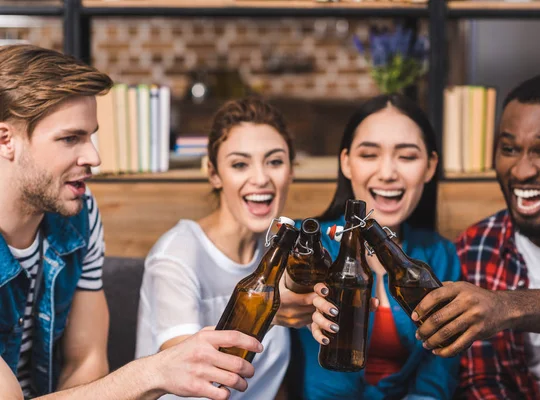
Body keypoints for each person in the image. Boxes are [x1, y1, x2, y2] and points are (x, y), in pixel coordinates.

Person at [0, 44, 268, 400]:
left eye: (91, 134)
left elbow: (88, 362)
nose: (94, 156)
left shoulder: (80, 213)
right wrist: (155, 371)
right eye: (70, 138)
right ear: (6, 140)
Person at [411, 74, 540, 398]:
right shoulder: (475, 247)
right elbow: (482, 378)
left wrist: (505, 307)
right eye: (509, 148)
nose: (521, 170)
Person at [135, 96, 317, 400]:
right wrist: (266, 317)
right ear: (214, 173)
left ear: (291, 171)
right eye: (239, 164)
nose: (260, 179)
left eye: (274, 161)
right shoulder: (176, 257)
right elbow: (192, 385)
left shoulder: (281, 251)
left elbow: (274, 382)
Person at [294, 93, 461, 399]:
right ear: (346, 163)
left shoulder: (442, 256)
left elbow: (438, 377)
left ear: (430, 166)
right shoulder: (308, 242)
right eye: (369, 155)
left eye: (407, 157)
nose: (387, 172)